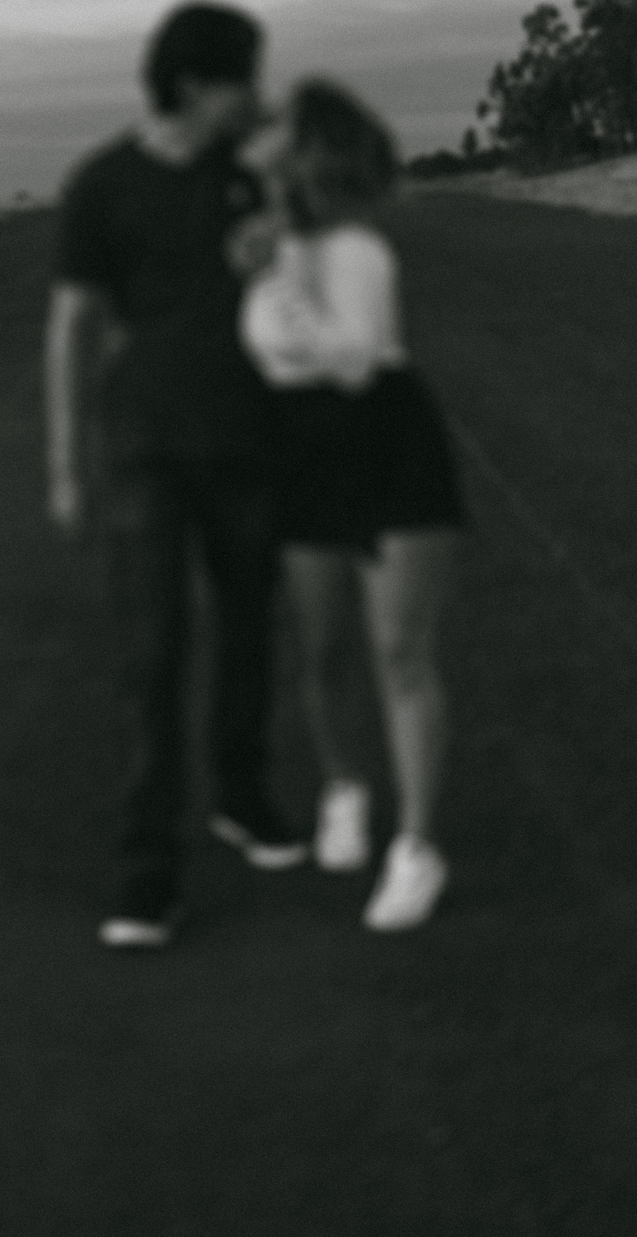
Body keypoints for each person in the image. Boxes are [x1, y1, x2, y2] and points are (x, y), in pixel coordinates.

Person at [45, 1, 305, 950]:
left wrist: (273, 194)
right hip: (145, 452)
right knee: (152, 657)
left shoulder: (251, 175)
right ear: (197, 83)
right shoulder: (102, 186)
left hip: (250, 444)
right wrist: (66, 463)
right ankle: (147, 869)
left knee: (249, 635)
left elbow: (300, 255)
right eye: (245, 78)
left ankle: (242, 794)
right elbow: (72, 327)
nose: (258, 93)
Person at [235, 78, 465, 932]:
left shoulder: (355, 250)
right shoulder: (269, 241)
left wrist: (285, 281)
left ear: (309, 154)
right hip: (302, 453)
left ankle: (417, 848)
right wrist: (269, 259)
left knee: (400, 651)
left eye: (282, 130)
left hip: (387, 446)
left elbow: (356, 364)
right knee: (322, 646)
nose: (263, 137)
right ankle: (345, 789)